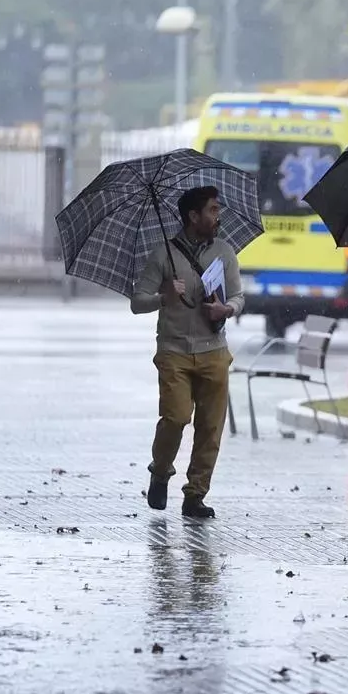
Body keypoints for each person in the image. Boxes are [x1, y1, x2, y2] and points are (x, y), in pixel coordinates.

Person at [130, 184, 244, 519]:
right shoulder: (164, 254)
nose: (217, 215)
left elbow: (238, 296)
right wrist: (163, 295)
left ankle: (195, 494)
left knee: (211, 426)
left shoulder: (224, 252)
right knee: (177, 417)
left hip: (214, 351)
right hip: (174, 351)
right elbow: (138, 303)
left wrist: (227, 310)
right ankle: (161, 471)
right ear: (192, 216)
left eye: (217, 209)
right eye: (211, 210)